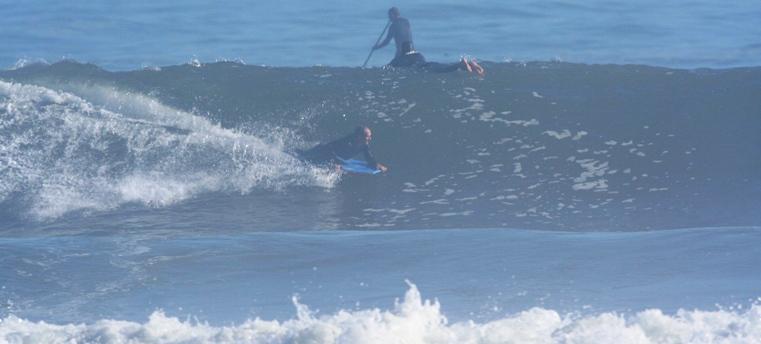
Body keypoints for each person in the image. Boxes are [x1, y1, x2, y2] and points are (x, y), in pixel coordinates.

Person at [372, 7, 484, 76]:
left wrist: (375, 47)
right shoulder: (406, 21)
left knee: (432, 70)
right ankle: (463, 65)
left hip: (403, 54)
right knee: (435, 66)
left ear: (393, 15)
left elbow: (386, 42)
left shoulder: (393, 25)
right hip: (416, 53)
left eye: (389, 15)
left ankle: (462, 66)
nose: (388, 17)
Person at [301, 126, 388, 172]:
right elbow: (330, 150)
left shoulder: (363, 145)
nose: (370, 139)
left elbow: (369, 157)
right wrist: (336, 163)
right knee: (303, 158)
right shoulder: (348, 142)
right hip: (322, 151)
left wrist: (376, 165)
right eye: (367, 136)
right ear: (359, 137)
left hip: (332, 156)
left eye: (370, 136)